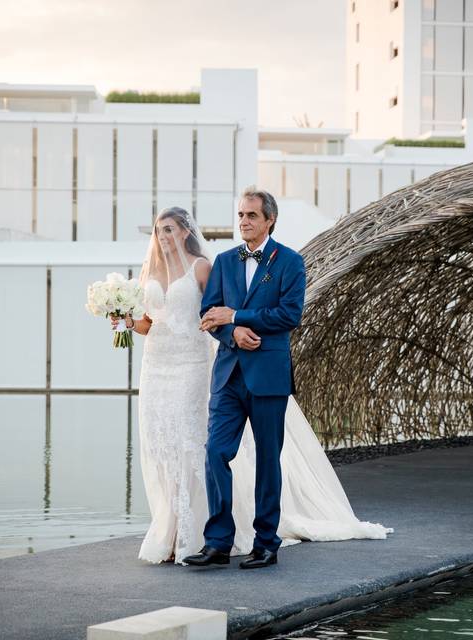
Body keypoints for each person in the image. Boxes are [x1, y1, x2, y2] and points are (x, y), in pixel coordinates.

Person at [130, 196, 391, 568]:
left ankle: (266, 543)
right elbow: (207, 314)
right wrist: (232, 333)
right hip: (227, 376)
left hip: (268, 376)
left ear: (269, 220)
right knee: (216, 452)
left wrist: (237, 316)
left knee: (268, 459)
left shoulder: (290, 262)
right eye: (240, 215)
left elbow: (290, 314)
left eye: (251, 215)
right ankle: (217, 541)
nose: (244, 221)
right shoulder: (224, 262)